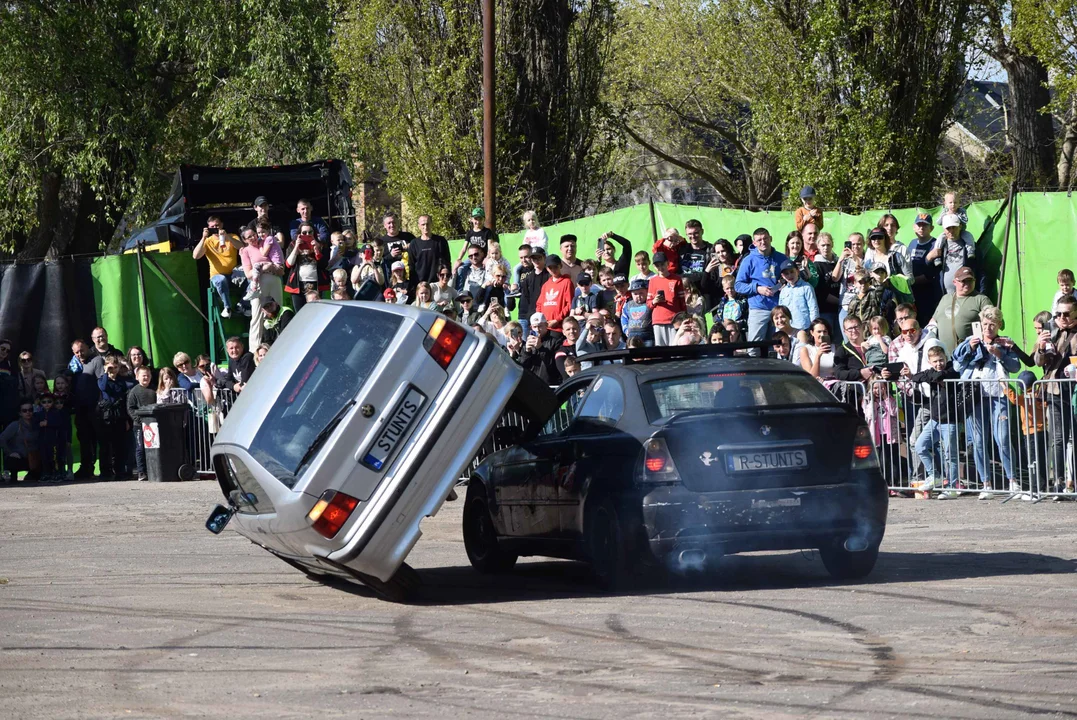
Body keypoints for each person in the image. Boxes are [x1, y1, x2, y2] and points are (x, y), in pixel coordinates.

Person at [953, 305, 1020, 499]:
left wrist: (1000, 354)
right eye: (985, 324)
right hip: (975, 395)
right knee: (979, 441)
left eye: (992, 324)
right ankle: (986, 484)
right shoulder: (969, 340)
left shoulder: (1005, 342)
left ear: (999, 325)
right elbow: (957, 365)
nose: (988, 328)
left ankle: (1012, 481)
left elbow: (1015, 367)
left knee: (1003, 439)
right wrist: (970, 349)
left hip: (999, 394)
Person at [1033, 296, 1077, 495]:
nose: (1062, 318)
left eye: (1066, 314)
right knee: (1058, 439)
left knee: (1074, 438)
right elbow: (1039, 362)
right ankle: (1059, 484)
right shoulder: (1052, 332)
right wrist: (1041, 347)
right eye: (1058, 314)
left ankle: (1073, 482)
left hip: (1074, 391)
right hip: (1055, 390)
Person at [909, 346, 961, 497]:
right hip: (935, 419)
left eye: (941, 360)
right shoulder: (932, 371)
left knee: (950, 455)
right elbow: (917, 377)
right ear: (930, 362)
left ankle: (951, 487)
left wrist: (934, 376)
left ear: (946, 358)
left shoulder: (952, 370)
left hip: (950, 420)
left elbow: (944, 375)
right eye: (935, 362)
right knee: (919, 445)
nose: (939, 364)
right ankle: (935, 476)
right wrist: (933, 375)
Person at [735, 228, 787, 355]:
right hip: (758, 308)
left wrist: (782, 284)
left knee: (778, 347)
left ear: (771, 239)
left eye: (765, 238)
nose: (763, 242)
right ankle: (754, 372)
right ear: (754, 242)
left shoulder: (781, 258)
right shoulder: (749, 260)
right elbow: (738, 285)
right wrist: (757, 288)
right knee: (754, 347)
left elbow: (790, 277)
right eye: (759, 240)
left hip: (779, 309)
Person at [927, 266, 992, 356]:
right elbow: (933, 321)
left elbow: (992, 322)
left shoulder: (981, 299)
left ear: (975, 281)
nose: (967, 283)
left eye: (970, 280)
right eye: (963, 281)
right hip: (944, 357)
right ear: (954, 282)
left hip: (970, 355)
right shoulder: (945, 298)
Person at [240, 224, 285, 349]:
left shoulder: (266, 242)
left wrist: (271, 267)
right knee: (257, 316)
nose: (253, 238)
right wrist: (265, 268)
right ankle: (255, 349)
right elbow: (248, 274)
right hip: (259, 285)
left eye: (254, 235)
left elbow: (280, 268)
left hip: (275, 280)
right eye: (249, 237)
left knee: (278, 312)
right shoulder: (245, 251)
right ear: (244, 240)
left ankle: (280, 344)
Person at [192, 215, 246, 318]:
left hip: (234, 275)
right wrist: (204, 237)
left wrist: (227, 236)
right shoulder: (208, 241)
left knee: (252, 279)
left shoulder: (232, 236)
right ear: (208, 227)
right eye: (212, 227)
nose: (215, 228)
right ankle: (227, 307)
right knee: (221, 280)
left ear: (222, 225)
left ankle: (243, 305)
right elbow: (196, 256)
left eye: (217, 225)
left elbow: (241, 247)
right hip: (217, 275)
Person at [96, 358, 131, 481]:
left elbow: (124, 400)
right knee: (105, 447)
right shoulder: (102, 380)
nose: (113, 370)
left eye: (115, 367)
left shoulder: (121, 382)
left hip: (119, 415)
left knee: (119, 447)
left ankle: (119, 471)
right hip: (106, 417)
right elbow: (103, 387)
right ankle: (105, 472)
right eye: (111, 367)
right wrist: (106, 372)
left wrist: (126, 419)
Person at [285, 221, 330, 313]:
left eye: (310, 232)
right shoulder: (293, 245)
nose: (307, 234)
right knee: (300, 312)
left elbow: (324, 265)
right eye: (304, 233)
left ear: (315, 233)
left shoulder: (321, 245)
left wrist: (317, 250)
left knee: (316, 311)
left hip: (316, 283)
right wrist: (296, 248)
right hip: (298, 284)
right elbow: (289, 264)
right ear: (299, 234)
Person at [830, 232, 866, 341]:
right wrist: (841, 259)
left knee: (862, 338)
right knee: (847, 340)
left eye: (858, 244)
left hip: (861, 304)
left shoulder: (867, 259)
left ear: (863, 244)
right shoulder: (845, 261)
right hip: (845, 305)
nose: (855, 246)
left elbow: (862, 273)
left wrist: (855, 259)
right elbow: (835, 277)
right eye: (852, 244)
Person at [907, 212, 942, 324]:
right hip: (913, 293)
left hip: (928, 294)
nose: (921, 228)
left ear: (931, 228)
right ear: (914, 227)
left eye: (925, 225)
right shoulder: (912, 243)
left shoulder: (935, 244)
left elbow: (933, 273)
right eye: (919, 225)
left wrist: (912, 281)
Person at [647, 252, 686, 347]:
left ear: (668, 263)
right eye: (657, 265)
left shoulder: (676, 279)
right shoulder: (652, 281)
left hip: (674, 320)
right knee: (660, 350)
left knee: (675, 347)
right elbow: (648, 303)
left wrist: (684, 318)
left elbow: (682, 301)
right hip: (658, 320)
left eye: (662, 264)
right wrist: (654, 301)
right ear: (654, 267)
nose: (660, 268)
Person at [932, 213, 978, 296]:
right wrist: (930, 257)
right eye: (948, 228)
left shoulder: (971, 245)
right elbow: (928, 266)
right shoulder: (939, 246)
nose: (951, 231)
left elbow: (980, 270)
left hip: (966, 295)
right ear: (944, 229)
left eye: (954, 227)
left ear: (960, 226)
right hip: (944, 295)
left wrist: (982, 292)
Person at [126, 366, 156, 482]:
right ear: (137, 377)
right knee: (140, 448)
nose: (146, 378)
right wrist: (139, 420)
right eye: (144, 375)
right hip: (139, 426)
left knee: (152, 448)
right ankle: (141, 471)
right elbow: (130, 408)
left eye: (148, 375)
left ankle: (151, 470)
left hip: (153, 425)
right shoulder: (134, 391)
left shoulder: (154, 389)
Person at [407, 214, 451, 288]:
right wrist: (413, 285)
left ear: (431, 224)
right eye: (423, 224)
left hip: (438, 284)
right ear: (419, 226)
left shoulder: (440, 241)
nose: (425, 227)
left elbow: (447, 262)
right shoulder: (414, 243)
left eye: (428, 224)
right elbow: (411, 265)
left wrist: (445, 279)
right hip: (421, 285)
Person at [518, 313, 562, 385]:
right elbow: (521, 365)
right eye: (535, 327)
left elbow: (553, 365)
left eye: (540, 326)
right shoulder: (529, 341)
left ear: (546, 325)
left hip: (549, 384)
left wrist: (540, 348)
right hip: (532, 383)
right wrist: (526, 352)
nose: (537, 329)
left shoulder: (556, 341)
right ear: (531, 327)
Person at [1, 402, 40, 482]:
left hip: (34, 458)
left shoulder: (37, 424)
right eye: (24, 411)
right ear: (20, 413)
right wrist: (10, 452)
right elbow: (2, 439)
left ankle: (31, 475)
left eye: (30, 410)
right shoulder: (15, 425)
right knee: (12, 460)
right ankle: (13, 477)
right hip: (19, 458)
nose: (28, 412)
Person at [35, 392, 69, 482]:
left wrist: (48, 423)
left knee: (54, 458)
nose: (47, 404)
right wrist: (39, 424)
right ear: (41, 403)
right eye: (44, 402)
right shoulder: (39, 414)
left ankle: (57, 473)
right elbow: (34, 426)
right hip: (43, 440)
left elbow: (59, 423)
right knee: (44, 458)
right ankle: (47, 473)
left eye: (49, 401)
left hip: (54, 440)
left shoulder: (56, 413)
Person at [777, 259, 818, 332]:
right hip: (788, 328)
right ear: (782, 276)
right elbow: (780, 311)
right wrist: (779, 329)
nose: (790, 275)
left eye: (792, 272)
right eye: (786, 273)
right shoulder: (783, 291)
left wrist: (814, 327)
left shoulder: (807, 287)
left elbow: (813, 309)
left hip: (804, 328)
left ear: (798, 271)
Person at [517, 247, 549, 337]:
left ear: (544, 258)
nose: (536, 261)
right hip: (530, 317)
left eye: (539, 258)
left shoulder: (549, 275)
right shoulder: (528, 278)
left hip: (544, 317)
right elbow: (527, 298)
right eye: (534, 258)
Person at [538, 254, 574, 330]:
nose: (553, 270)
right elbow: (539, 304)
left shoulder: (567, 282)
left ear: (560, 266)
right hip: (545, 327)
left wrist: (557, 320)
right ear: (547, 268)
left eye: (555, 267)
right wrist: (541, 320)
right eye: (550, 267)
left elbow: (569, 304)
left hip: (559, 327)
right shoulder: (546, 285)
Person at [677, 220, 711, 288]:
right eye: (690, 234)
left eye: (696, 233)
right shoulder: (681, 250)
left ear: (702, 231)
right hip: (684, 291)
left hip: (704, 292)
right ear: (686, 234)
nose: (693, 236)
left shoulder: (711, 250)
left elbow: (711, 275)